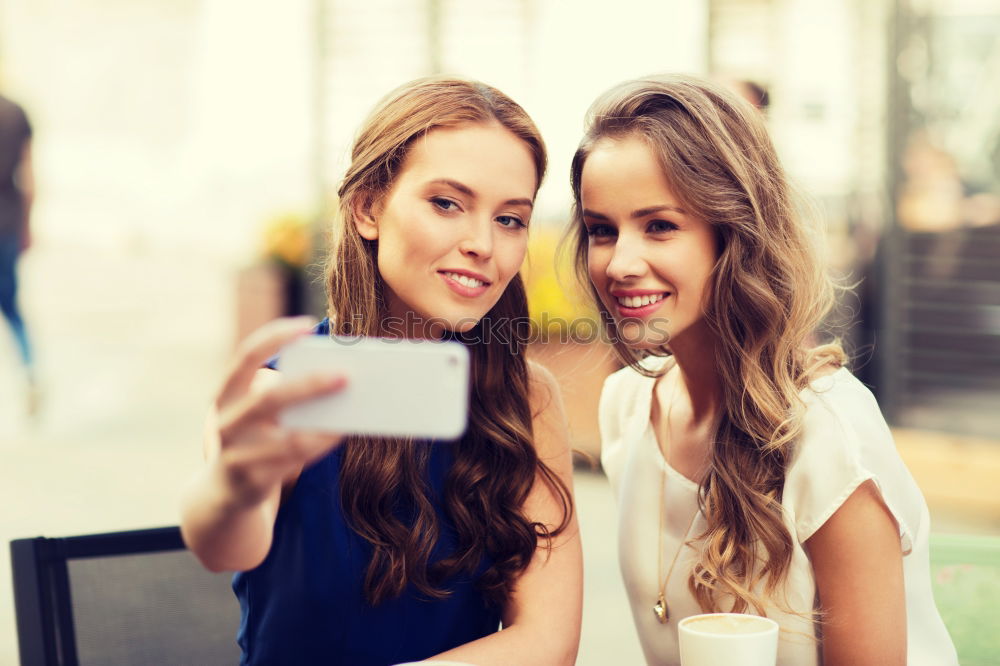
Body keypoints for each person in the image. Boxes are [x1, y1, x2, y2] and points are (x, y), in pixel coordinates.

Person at [181, 77, 582, 665]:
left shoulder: (525, 398)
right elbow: (222, 545)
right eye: (447, 203)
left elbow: (547, 643)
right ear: (368, 207)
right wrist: (232, 490)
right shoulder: (283, 391)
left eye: (510, 219)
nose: (482, 244)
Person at [567, 75, 957, 665]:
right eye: (602, 230)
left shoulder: (829, 435)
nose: (620, 262)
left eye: (661, 226)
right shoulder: (625, 407)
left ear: (735, 236)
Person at [0, 92, 36, 407]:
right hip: (7, 225)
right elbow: (29, 179)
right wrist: (27, 227)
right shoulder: (15, 112)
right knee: (11, 308)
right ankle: (29, 372)